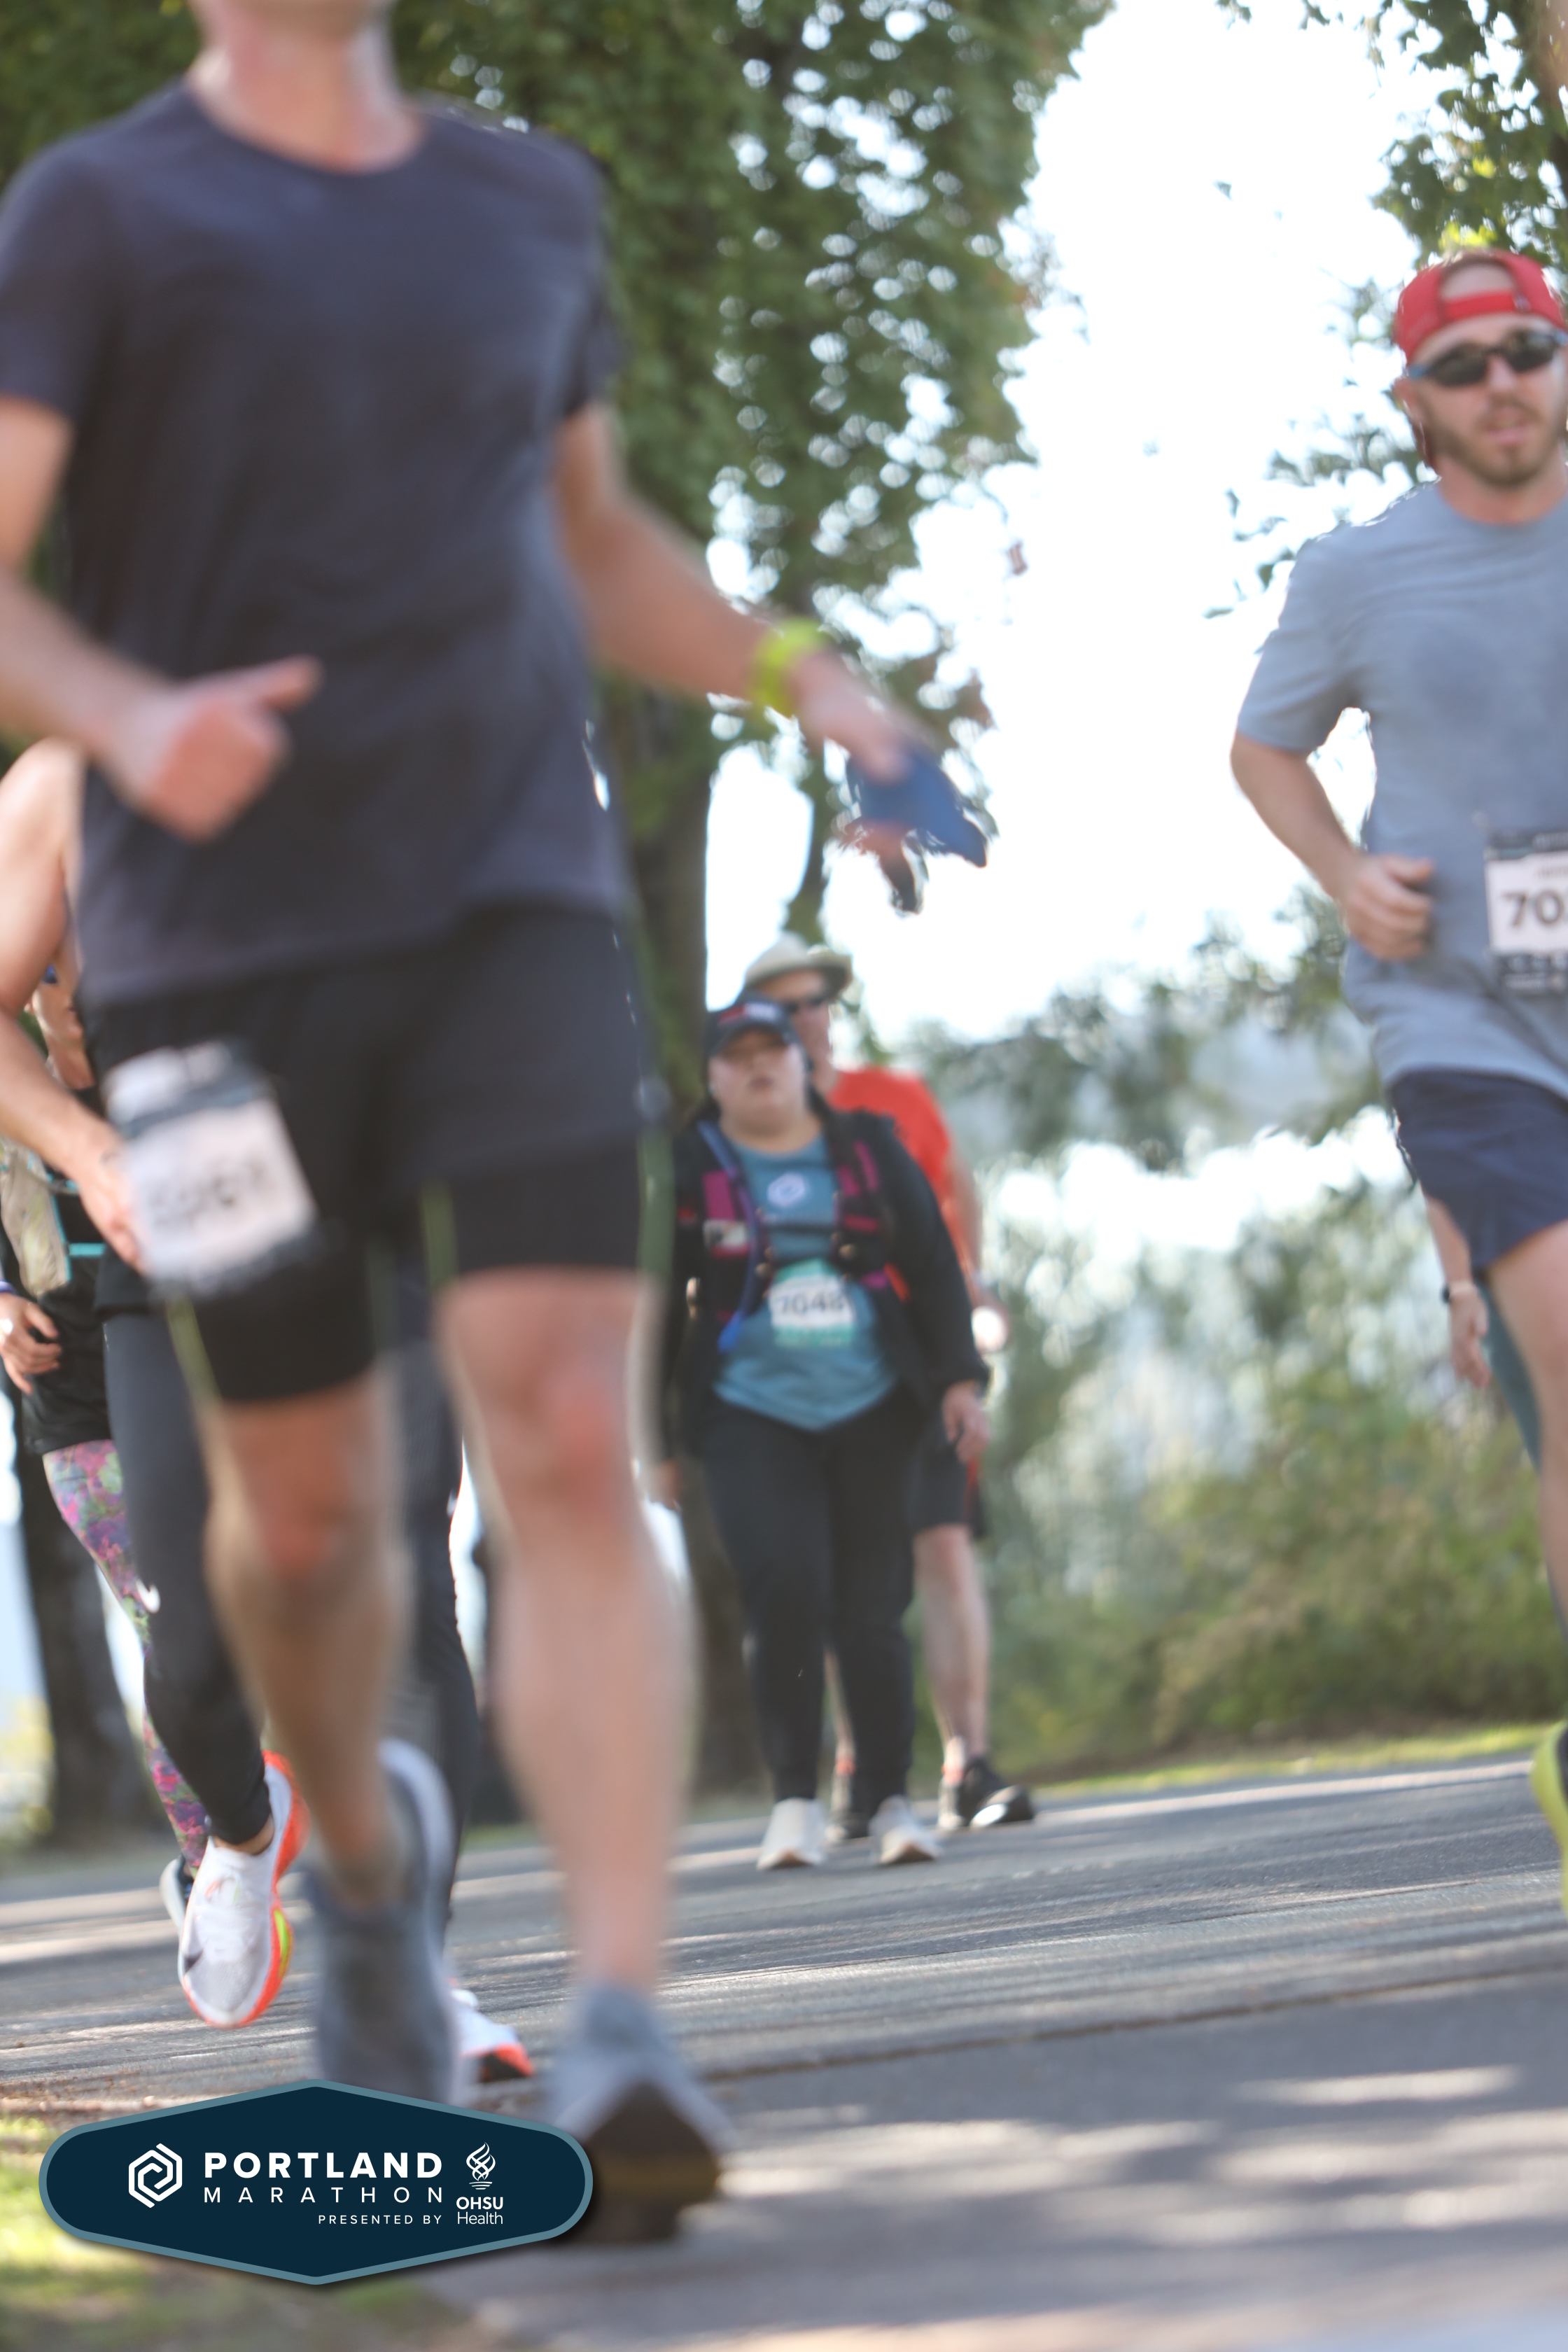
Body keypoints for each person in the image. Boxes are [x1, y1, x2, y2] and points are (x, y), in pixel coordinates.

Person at [0, 0, 918, 2231]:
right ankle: (367, 1892)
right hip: (214, 968)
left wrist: (806, 677)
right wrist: (126, 715)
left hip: (508, 910)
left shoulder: (523, 205)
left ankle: (619, 2025)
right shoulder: (96, 216)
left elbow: (592, 542)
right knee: (302, 1524)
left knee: (561, 1439)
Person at [0, 740, 528, 2074]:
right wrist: (90, 1152)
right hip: (175, 1241)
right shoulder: (69, 785)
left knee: (400, 1583)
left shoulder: (396, 736)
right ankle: (243, 1830)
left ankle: (417, 1978)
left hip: (376, 1227)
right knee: (190, 1645)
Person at [1230, 245, 1568, 1916]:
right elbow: (1263, 747)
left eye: (1528, 351)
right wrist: (1345, 873)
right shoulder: (1358, 573)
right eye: (1464, 365)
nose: (1503, 384)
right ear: (1413, 401)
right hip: (1464, 1024)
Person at [654, 997, 989, 1868]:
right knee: (785, 1591)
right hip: (747, 1414)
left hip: (874, 1406)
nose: (758, 1067)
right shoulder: (688, 1167)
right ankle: (793, 1804)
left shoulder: (868, 1148)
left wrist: (959, 1382)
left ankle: (889, 1802)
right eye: (737, 1056)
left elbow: (932, 1264)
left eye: (772, 1050)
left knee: (871, 1608)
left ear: (801, 1062)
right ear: (712, 1076)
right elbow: (652, 1306)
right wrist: (652, 1440)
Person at [742, 932, 1033, 1835]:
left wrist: (972, 1282)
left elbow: (954, 1185)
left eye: (816, 1001)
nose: (807, 1018)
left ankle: (967, 1763)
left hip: (921, 1355)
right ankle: (859, 1769)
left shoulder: (895, 1097)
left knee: (942, 1546)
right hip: (815, 1362)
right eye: (785, 1007)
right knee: (839, 1572)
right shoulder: (748, 1122)